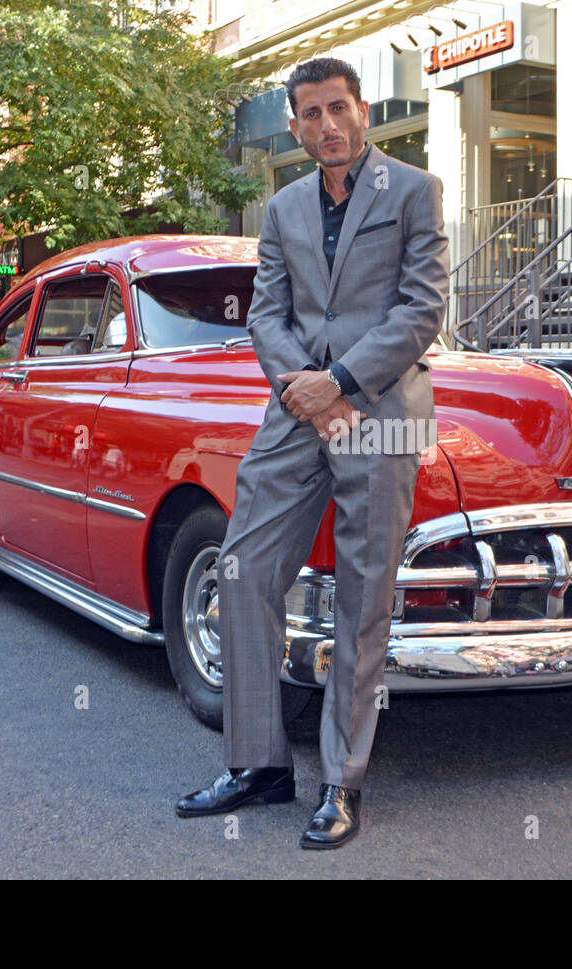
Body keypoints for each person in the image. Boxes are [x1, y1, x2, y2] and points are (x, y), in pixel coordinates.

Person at [175, 57, 450, 849]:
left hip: (381, 410)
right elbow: (266, 313)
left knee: (362, 598)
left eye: (338, 109)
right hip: (297, 410)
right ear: (295, 127)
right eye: (310, 114)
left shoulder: (414, 191)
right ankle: (259, 764)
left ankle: (341, 781)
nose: (326, 125)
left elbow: (421, 307)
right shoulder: (282, 206)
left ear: (362, 112)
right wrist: (303, 389)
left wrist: (340, 384)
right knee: (242, 567)